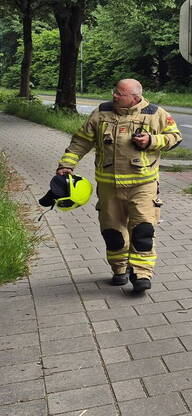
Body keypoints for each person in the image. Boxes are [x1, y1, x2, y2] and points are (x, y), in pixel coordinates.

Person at [56, 79, 181, 293]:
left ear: (135, 97)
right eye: (114, 91)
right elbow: (81, 140)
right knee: (112, 232)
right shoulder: (102, 113)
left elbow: (174, 137)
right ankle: (119, 269)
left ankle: (141, 274)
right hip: (108, 186)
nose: (114, 96)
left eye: (120, 94)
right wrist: (67, 164)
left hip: (143, 185)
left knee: (143, 231)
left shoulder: (155, 113)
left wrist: (150, 141)